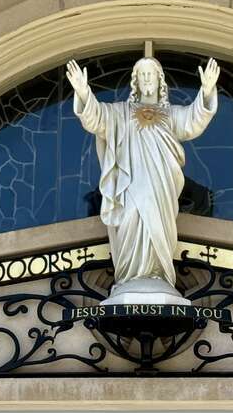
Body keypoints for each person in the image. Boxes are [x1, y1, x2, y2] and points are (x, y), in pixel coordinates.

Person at [66, 55, 219, 297]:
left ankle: (158, 274)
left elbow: (193, 121)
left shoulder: (170, 114)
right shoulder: (121, 113)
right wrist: (84, 92)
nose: (147, 79)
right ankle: (131, 275)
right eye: (143, 75)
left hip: (162, 187)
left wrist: (206, 91)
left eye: (151, 75)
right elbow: (97, 118)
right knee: (131, 223)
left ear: (160, 81)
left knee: (160, 226)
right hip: (131, 186)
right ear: (136, 82)